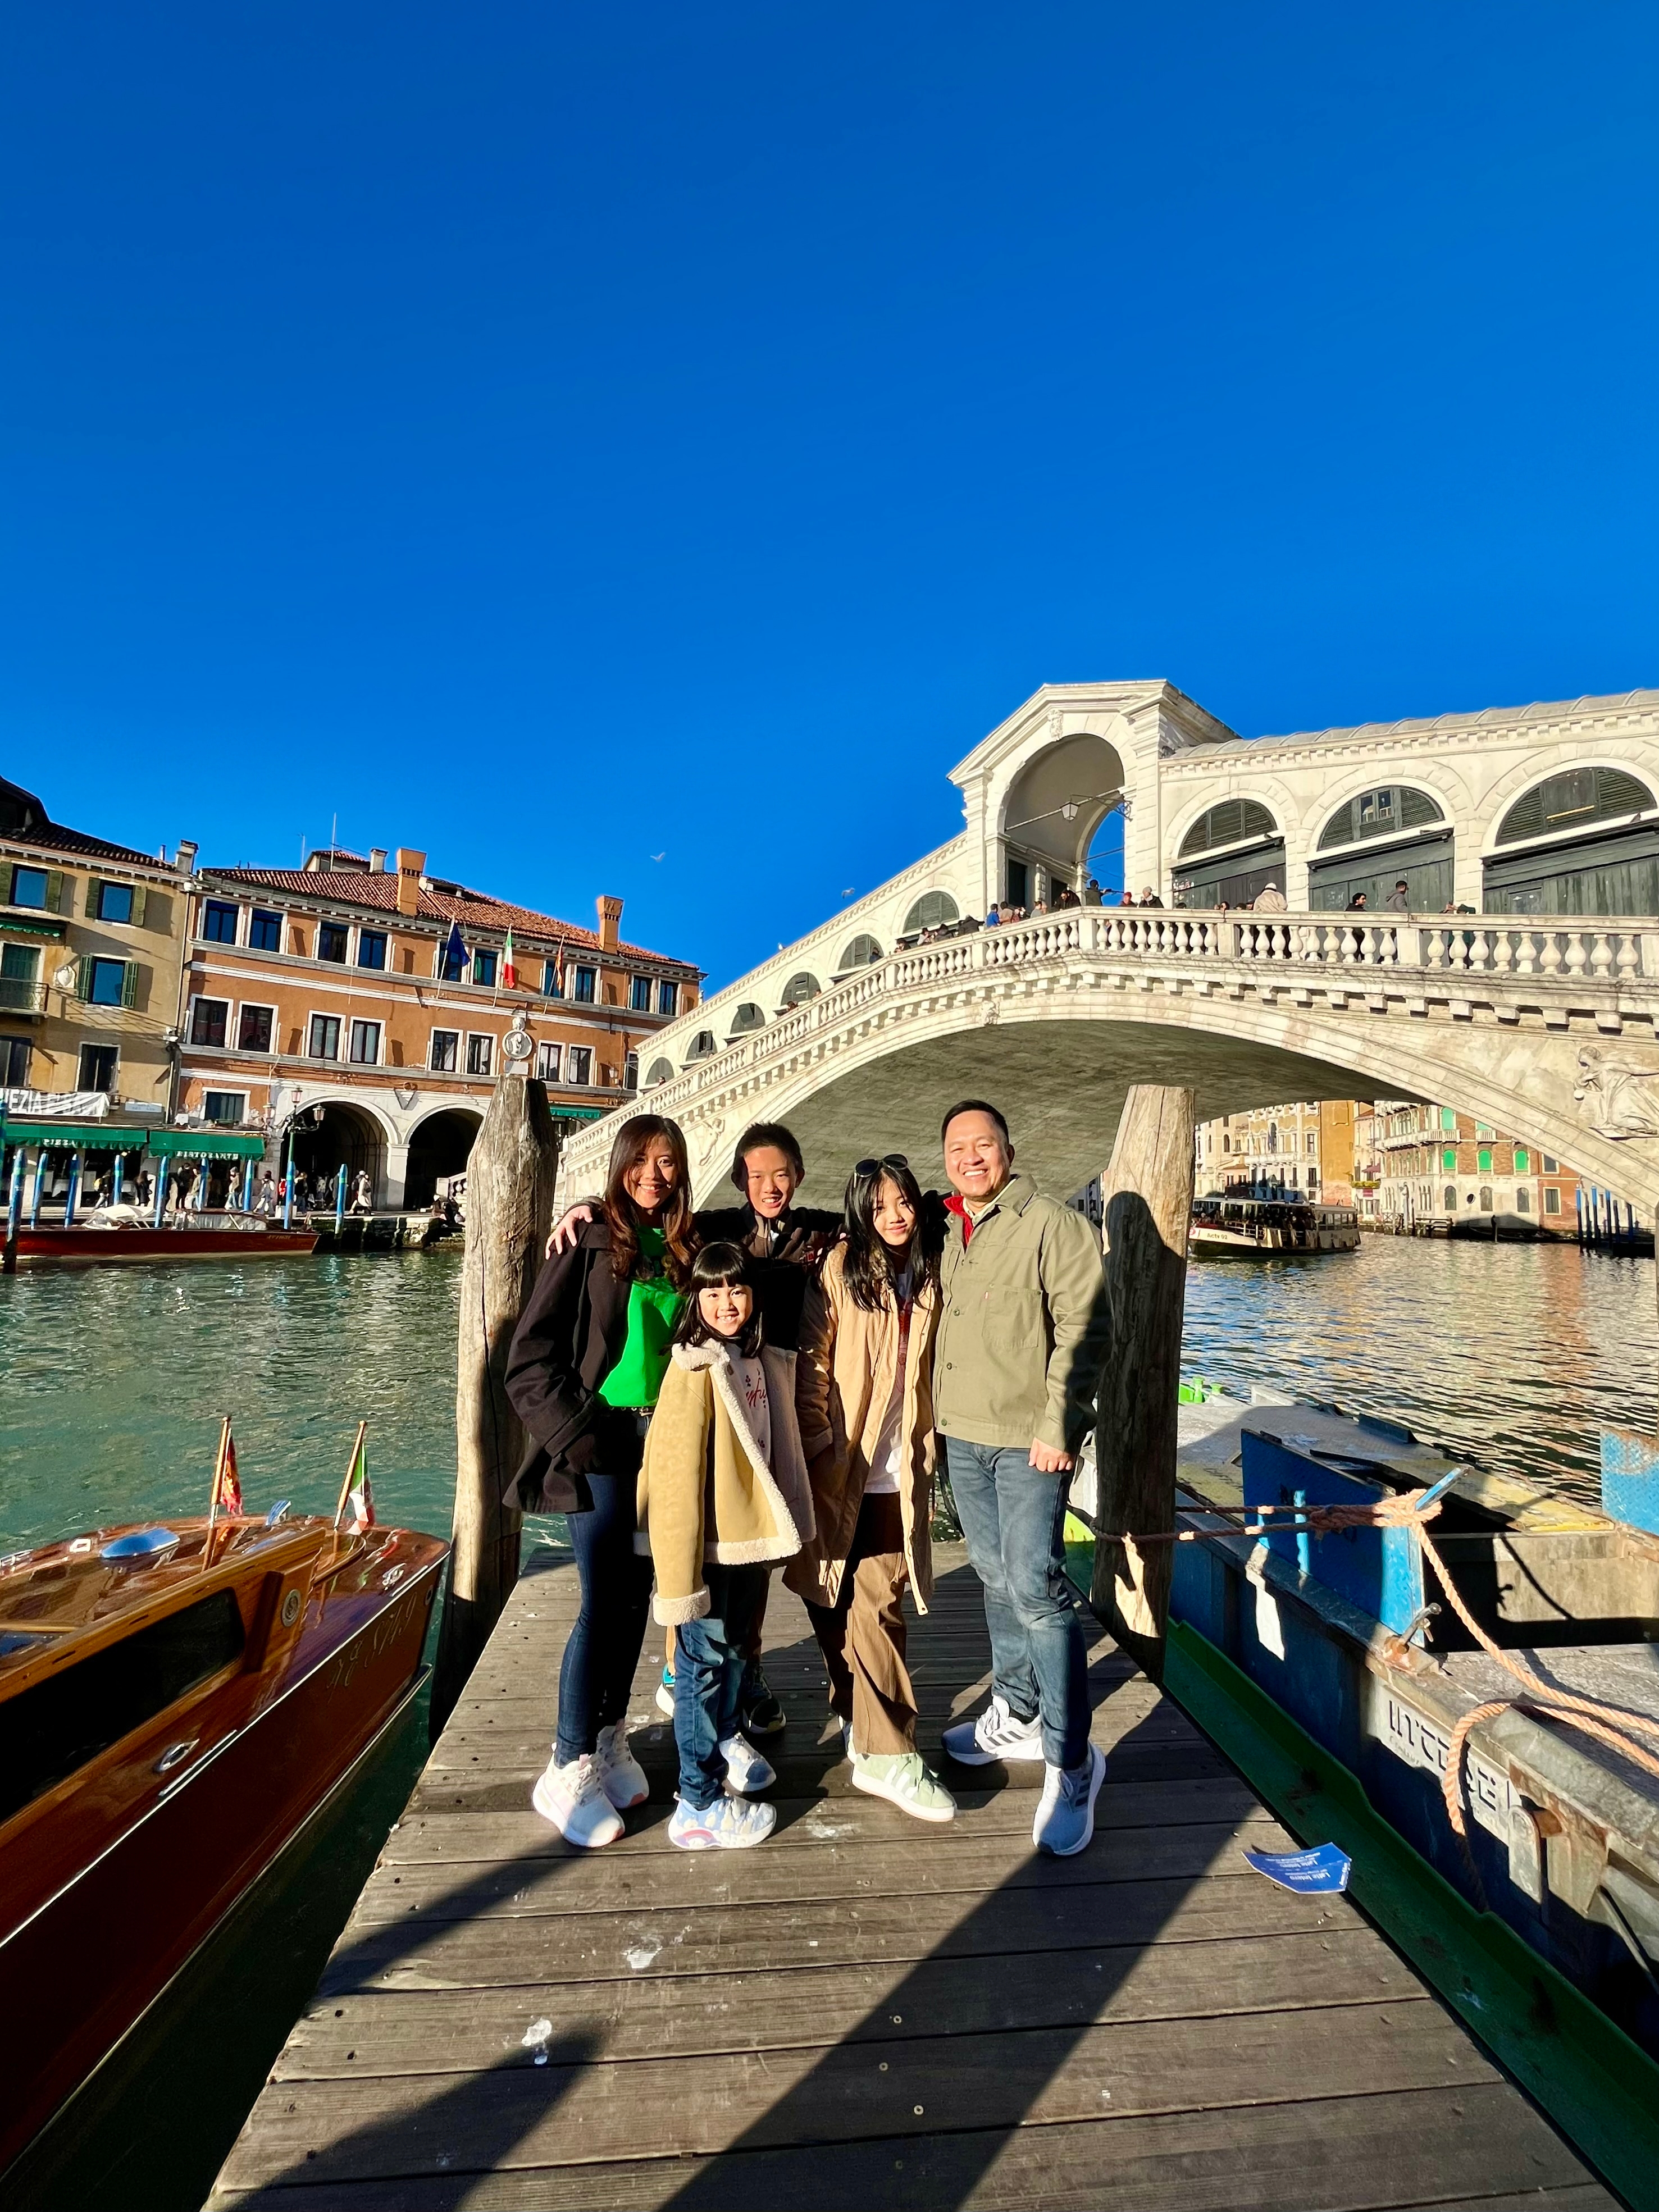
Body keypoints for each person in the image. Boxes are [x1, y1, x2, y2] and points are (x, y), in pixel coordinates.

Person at [548, 1120, 839, 1739]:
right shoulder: (711, 1230)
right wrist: (584, 1206)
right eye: (756, 1176)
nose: (770, 1186)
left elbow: (865, 1223)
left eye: (781, 1174)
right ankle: (644, 1702)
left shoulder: (803, 1234)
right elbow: (633, 1217)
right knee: (657, 1570)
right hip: (661, 1421)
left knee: (742, 1556)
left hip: (762, 1402)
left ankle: (738, 1674)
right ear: (736, 1181)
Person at [505, 1114, 695, 1848]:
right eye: (641, 1160)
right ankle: (565, 1763)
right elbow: (529, 1357)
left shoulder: (678, 1245)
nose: (655, 1172)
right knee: (600, 1601)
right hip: (602, 1439)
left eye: (668, 1161)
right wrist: (571, 1437)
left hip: (665, 1440)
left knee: (637, 1597)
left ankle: (609, 1735)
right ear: (619, 1165)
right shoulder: (584, 1240)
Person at [932, 1100, 1111, 1856]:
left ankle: (1072, 1761)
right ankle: (1015, 1707)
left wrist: (1058, 1425)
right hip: (960, 1433)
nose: (971, 1156)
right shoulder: (943, 1226)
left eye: (984, 1144)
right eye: (957, 1147)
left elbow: (1088, 1324)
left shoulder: (1051, 1222)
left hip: (1026, 1441)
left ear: (1008, 1148)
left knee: (1037, 1588)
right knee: (992, 1575)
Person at [791, 1155, 955, 1822]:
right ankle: (861, 1717)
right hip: (841, 1462)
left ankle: (885, 1748)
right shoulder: (838, 1270)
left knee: (879, 1598)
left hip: (898, 1471)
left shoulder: (930, 1271)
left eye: (904, 1202)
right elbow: (812, 1362)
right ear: (860, 1212)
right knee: (829, 1592)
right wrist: (815, 1441)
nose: (895, 1215)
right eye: (880, 1205)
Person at [640, 1243, 814, 1850]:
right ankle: (697, 1797)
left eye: (736, 1290)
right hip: (711, 1551)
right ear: (695, 1300)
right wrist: (680, 1580)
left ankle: (726, 1738)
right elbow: (673, 1480)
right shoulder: (693, 1371)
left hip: (748, 1543)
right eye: (711, 1292)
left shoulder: (757, 1359)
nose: (725, 1303)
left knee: (739, 1650)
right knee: (702, 1664)